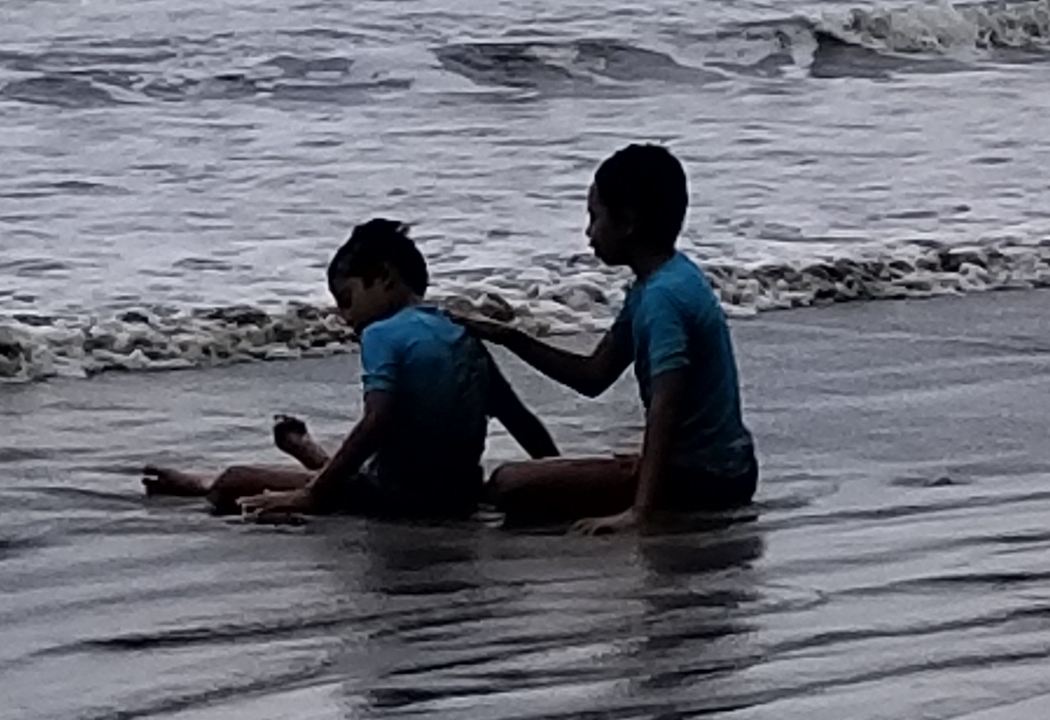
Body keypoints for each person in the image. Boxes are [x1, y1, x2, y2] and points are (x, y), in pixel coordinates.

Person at [141, 218, 558, 522]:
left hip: (396, 499)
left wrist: (312, 497)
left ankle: (207, 482)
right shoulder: (462, 334)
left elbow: (378, 421)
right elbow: (520, 420)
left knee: (233, 481)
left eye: (346, 299)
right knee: (364, 472)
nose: (344, 316)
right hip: (460, 497)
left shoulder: (381, 334)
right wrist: (559, 478)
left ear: (384, 278)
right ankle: (308, 453)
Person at [456, 144, 758, 533]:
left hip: (705, 479)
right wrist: (510, 338)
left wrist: (639, 513)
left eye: (594, 217)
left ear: (627, 222)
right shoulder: (665, 278)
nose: (588, 233)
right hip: (727, 467)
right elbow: (593, 375)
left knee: (508, 484)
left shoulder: (663, 299)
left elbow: (666, 405)